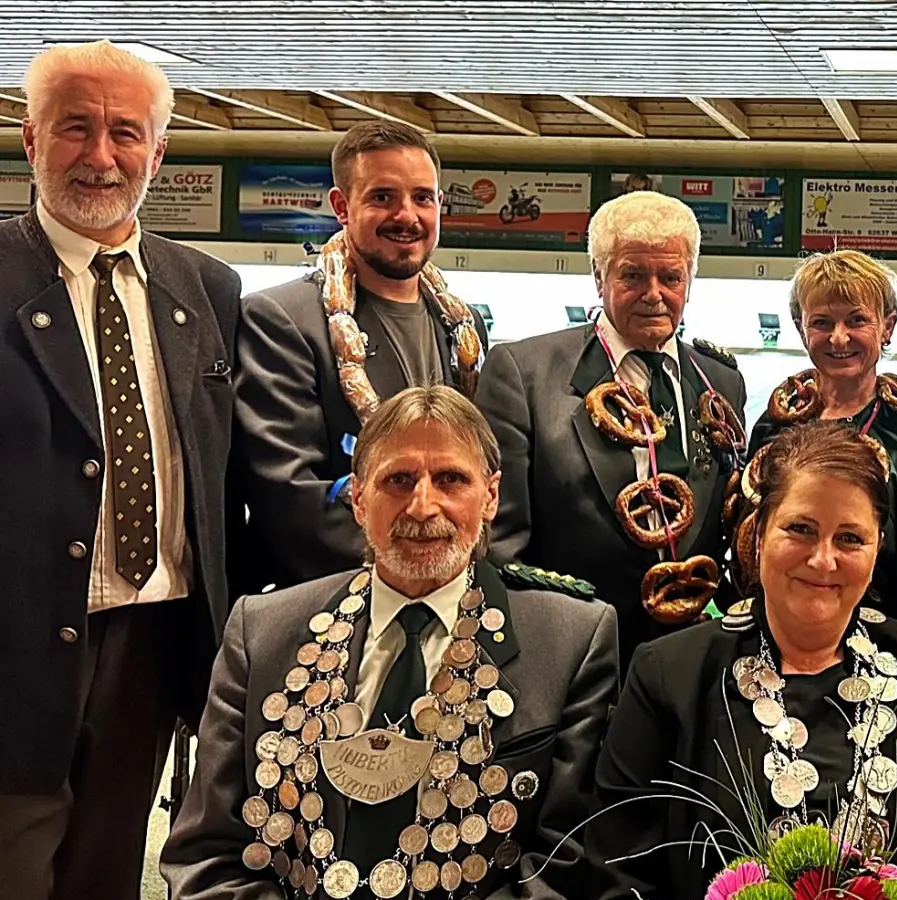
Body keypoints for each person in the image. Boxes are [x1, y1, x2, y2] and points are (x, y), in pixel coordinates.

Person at [162, 385, 619, 899]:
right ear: (358, 498)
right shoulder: (260, 631)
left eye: (450, 479)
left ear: (490, 496)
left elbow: (565, 866)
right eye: (398, 480)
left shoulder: (572, 640)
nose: (423, 507)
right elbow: (205, 855)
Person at [0, 40, 242, 900]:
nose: (100, 156)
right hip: (16, 645)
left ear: (158, 151)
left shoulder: (208, 288)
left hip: (155, 644)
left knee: (107, 876)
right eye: (76, 129)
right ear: (30, 140)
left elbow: (226, 479)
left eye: (125, 133)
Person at [588, 421, 897, 900]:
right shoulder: (667, 675)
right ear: (758, 535)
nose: (823, 560)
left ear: (877, 549)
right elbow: (616, 873)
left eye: (850, 538)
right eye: (801, 529)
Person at [479, 189, 746, 665]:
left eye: (671, 277)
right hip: (568, 653)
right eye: (633, 275)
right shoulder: (525, 373)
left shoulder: (722, 382)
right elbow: (499, 542)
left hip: (690, 655)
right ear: (598, 277)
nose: (654, 294)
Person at [230, 120, 489, 595]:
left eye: (423, 198)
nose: (406, 215)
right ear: (342, 206)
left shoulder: (462, 326)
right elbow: (287, 496)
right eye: (383, 197)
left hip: (449, 594)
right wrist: (417, 567)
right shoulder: (284, 320)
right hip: (331, 599)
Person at [745, 249, 897, 640]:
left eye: (857, 320)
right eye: (822, 322)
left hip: (891, 643)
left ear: (887, 327)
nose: (839, 337)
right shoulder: (773, 430)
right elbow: (753, 549)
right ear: (801, 329)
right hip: (783, 637)